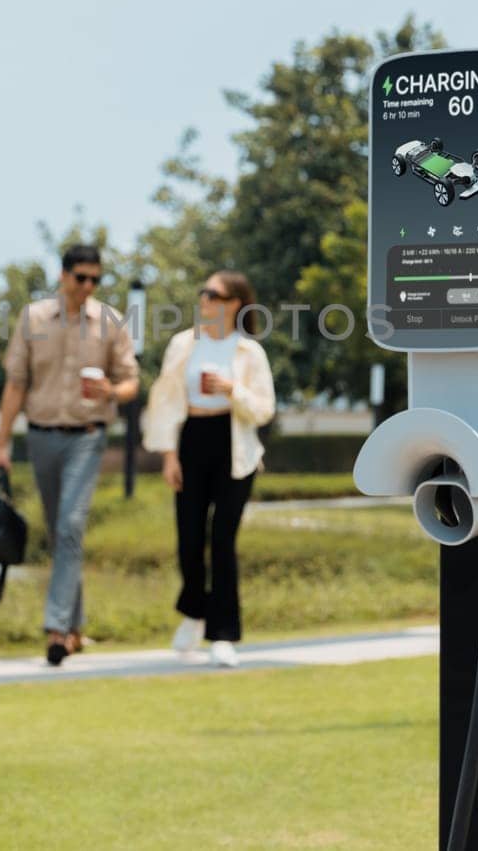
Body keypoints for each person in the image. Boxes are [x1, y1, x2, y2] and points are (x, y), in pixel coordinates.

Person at [0, 244, 139, 666]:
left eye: (96, 279)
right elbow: (15, 385)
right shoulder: (33, 319)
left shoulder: (111, 321)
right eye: (81, 277)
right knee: (61, 533)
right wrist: (1, 444)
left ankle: (56, 629)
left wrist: (111, 391)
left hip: (87, 437)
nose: (89, 286)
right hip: (40, 438)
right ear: (63, 276)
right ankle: (75, 629)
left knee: (71, 524)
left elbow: (131, 381)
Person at [142, 270, 275, 667]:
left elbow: (264, 410)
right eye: (203, 293)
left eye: (213, 294)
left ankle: (223, 634)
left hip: (234, 446)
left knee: (223, 541)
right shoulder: (183, 344)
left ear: (234, 302)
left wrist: (232, 390)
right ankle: (194, 612)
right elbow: (164, 401)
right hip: (192, 440)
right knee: (188, 537)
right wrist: (168, 454)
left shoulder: (249, 353)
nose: (204, 300)